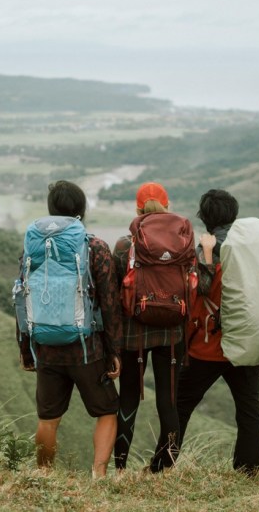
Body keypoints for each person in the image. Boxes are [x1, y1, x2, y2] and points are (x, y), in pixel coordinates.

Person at [16, 180, 123, 478]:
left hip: (46, 349)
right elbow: (110, 303)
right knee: (106, 412)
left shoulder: (32, 250)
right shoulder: (95, 247)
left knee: (48, 418)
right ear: (80, 210)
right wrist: (115, 350)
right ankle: (98, 474)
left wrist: (26, 349)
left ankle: (44, 474)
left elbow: (22, 301)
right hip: (87, 349)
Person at [176, 189, 259, 476]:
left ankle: (161, 465)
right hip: (246, 342)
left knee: (179, 405)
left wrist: (205, 252)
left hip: (209, 345)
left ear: (205, 218)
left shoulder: (210, 248)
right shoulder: (253, 248)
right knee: (249, 410)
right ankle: (247, 472)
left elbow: (201, 290)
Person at [111, 182, 185, 473]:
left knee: (128, 399)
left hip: (133, 336)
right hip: (172, 334)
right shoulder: (183, 244)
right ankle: (164, 469)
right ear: (167, 206)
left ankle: (119, 468)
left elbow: (114, 292)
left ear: (138, 208)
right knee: (168, 403)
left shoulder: (124, 245)